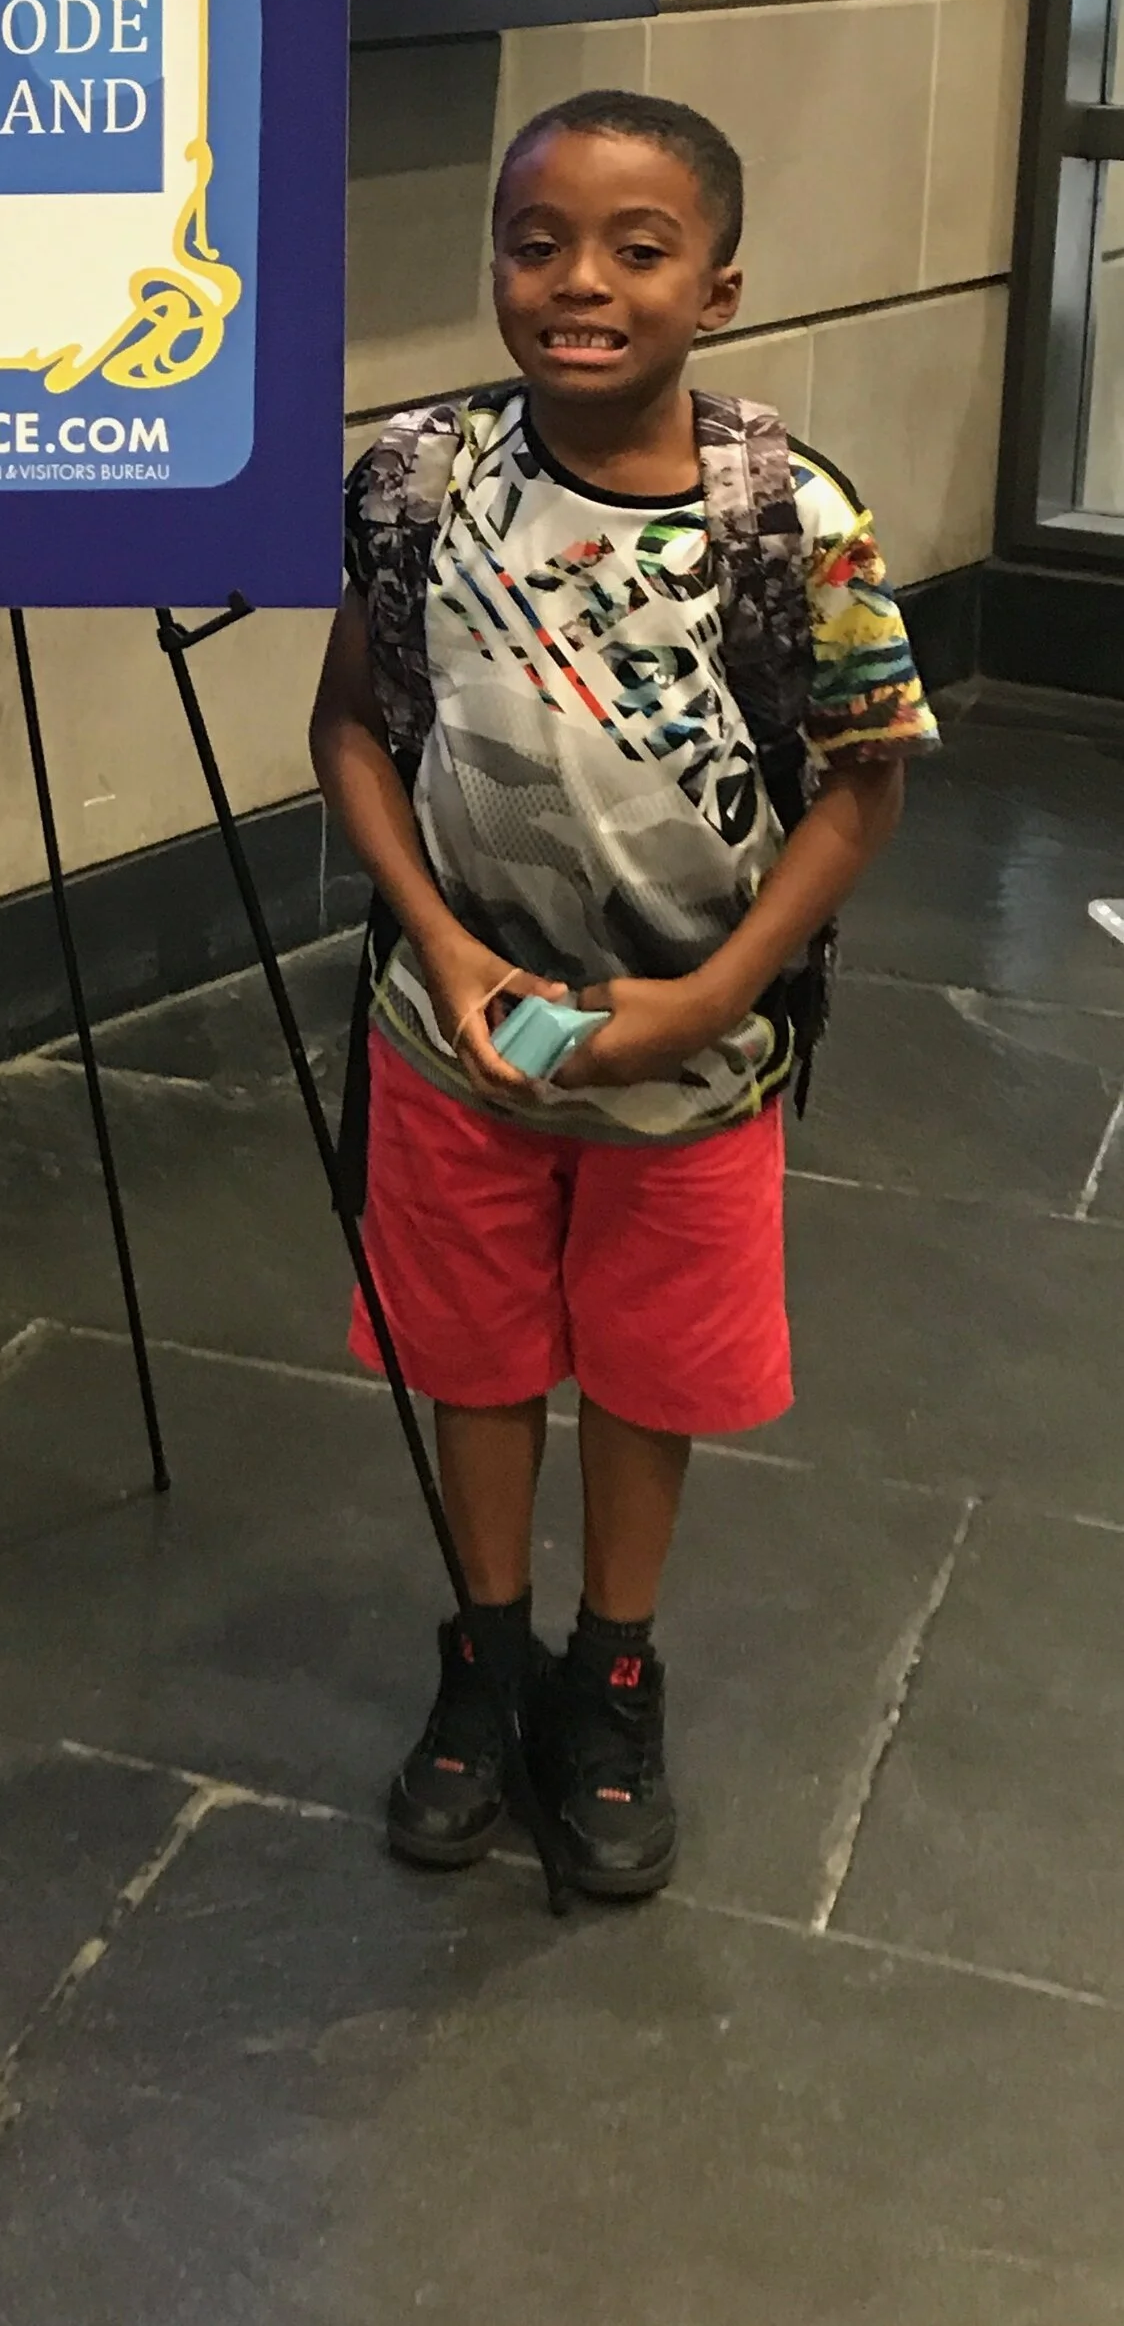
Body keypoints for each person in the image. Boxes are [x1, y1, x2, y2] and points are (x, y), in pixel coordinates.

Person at [310, 91, 935, 1898]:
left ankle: (618, 1668)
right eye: (536, 243)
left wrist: (712, 996)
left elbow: (863, 780)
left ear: (717, 286)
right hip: (457, 1040)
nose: (580, 282)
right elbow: (353, 726)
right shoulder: (420, 483)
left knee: (648, 1367)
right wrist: (441, 941)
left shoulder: (790, 514)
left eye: (636, 250)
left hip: (698, 1059)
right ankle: (487, 1650)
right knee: (480, 1350)